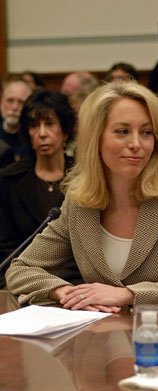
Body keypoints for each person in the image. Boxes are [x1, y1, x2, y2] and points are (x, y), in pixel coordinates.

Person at [6, 81, 158, 311]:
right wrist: (65, 292)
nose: (136, 144)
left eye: (146, 133)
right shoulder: (79, 204)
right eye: (122, 131)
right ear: (95, 139)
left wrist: (129, 295)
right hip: (96, 339)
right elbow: (20, 269)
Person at [0, 90, 76, 286]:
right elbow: (5, 247)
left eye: (49, 124)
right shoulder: (10, 180)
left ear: (65, 131)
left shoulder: (83, 178)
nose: (42, 133)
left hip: (74, 284)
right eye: (34, 126)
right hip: (20, 282)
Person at [0, 76, 32, 160]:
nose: (14, 107)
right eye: (10, 100)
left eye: (21, 102)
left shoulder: (32, 136)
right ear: (2, 102)